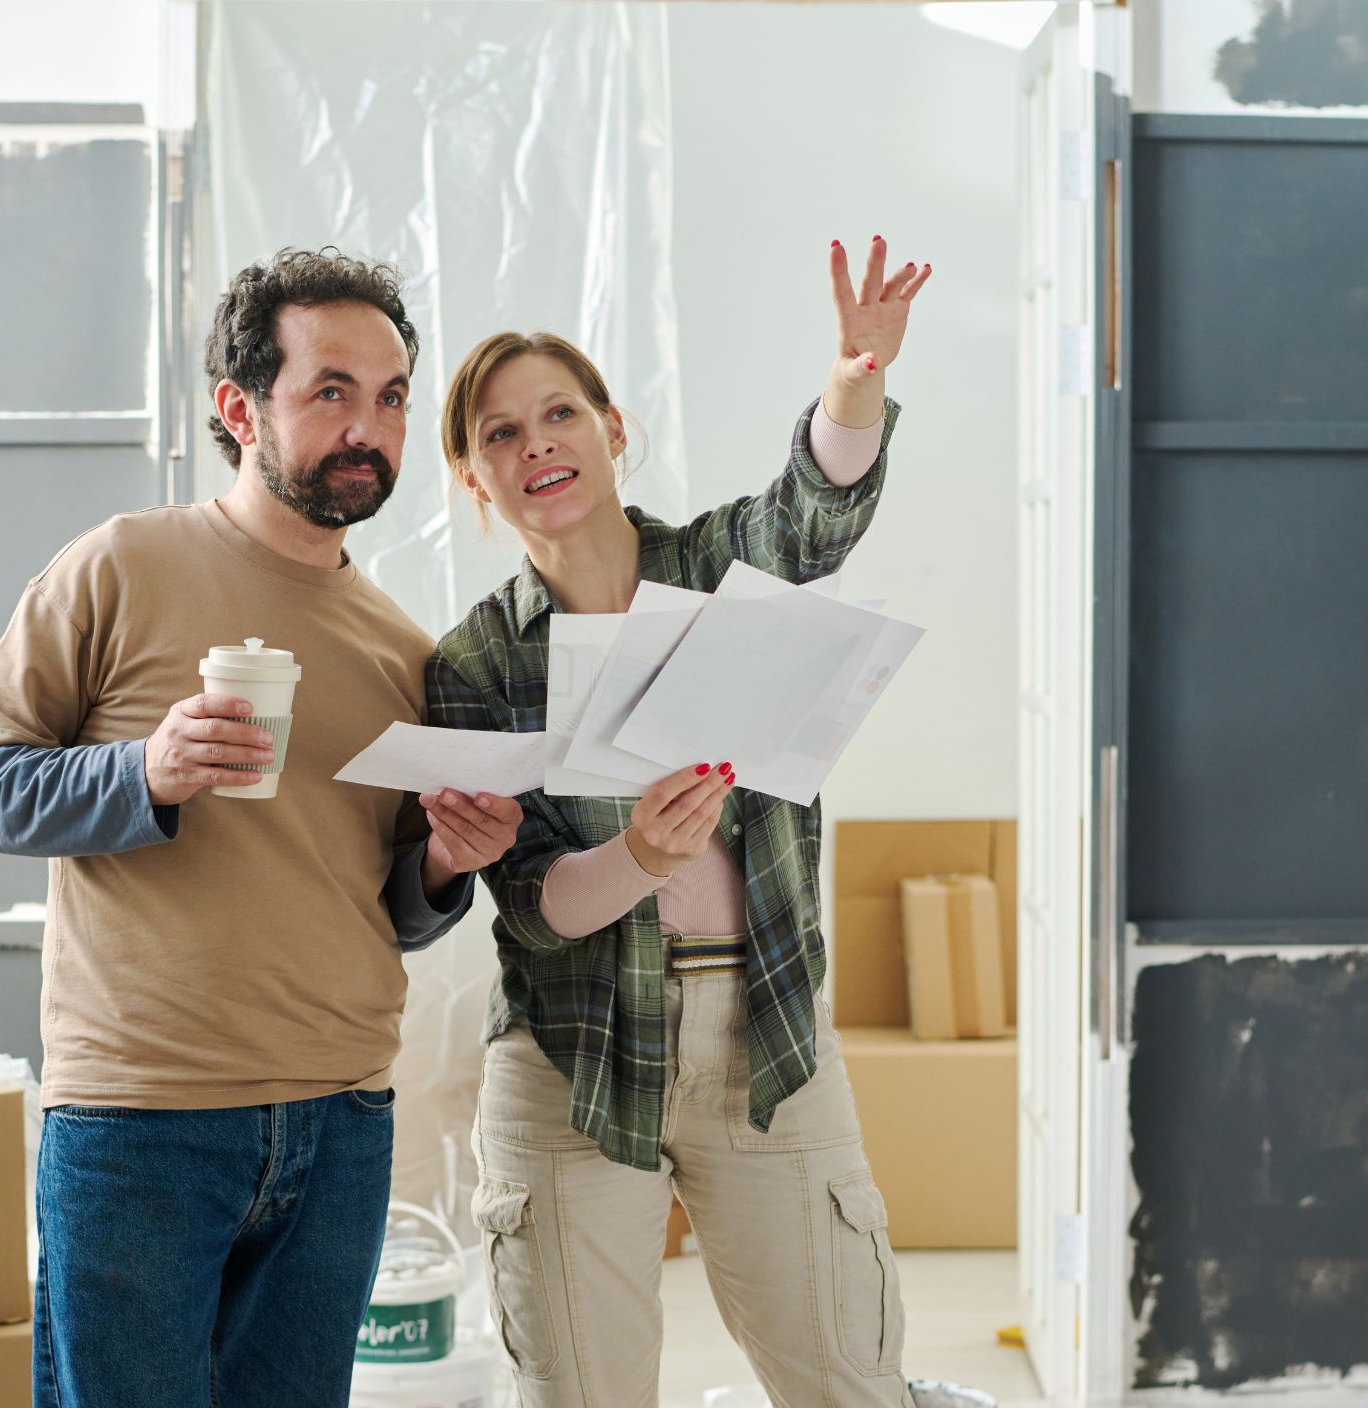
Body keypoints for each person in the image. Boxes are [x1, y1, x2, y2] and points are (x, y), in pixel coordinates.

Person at [0, 247, 523, 1408]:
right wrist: (141, 771)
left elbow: (383, 908)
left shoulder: (401, 649)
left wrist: (447, 863)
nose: (369, 427)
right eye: (332, 391)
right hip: (140, 1120)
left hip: (340, 1121)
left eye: (392, 396)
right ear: (237, 408)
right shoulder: (119, 568)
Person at [427, 237, 931, 1406]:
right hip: (573, 1057)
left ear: (612, 431)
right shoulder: (472, 659)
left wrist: (854, 378)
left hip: (765, 1035)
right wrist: (639, 855)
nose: (534, 443)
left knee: (849, 1380)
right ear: (471, 481)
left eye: (558, 413)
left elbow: (811, 516)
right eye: (498, 434)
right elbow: (533, 905)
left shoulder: (714, 566)